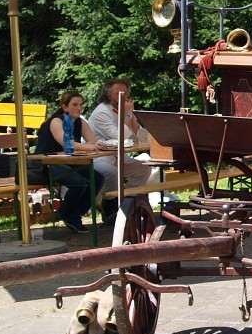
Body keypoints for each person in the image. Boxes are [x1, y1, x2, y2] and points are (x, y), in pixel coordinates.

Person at [88, 79, 160, 209]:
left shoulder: (122, 109)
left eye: (125, 93)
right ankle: (110, 207)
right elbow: (122, 136)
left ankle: (130, 202)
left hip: (119, 157)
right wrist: (127, 114)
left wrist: (131, 115)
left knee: (143, 168)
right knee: (112, 173)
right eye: (118, 93)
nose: (123, 96)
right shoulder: (101, 113)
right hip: (100, 158)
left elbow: (140, 136)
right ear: (108, 94)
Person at [36, 90, 101, 233]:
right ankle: (66, 214)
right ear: (64, 107)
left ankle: (74, 214)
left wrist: (93, 146)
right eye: (75, 105)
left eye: (81, 105)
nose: (79, 108)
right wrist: (88, 147)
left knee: (97, 178)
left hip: (68, 163)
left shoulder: (80, 122)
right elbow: (67, 144)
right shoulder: (56, 121)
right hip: (46, 164)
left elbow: (93, 141)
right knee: (79, 183)